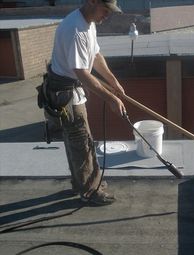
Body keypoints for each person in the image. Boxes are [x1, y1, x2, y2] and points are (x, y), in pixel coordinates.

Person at [47, 0, 126, 205]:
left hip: (69, 90)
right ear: (91, 1)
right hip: (66, 95)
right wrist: (111, 98)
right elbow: (82, 73)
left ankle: (82, 183)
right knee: (81, 141)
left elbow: (96, 55)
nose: (107, 15)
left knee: (78, 141)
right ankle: (90, 191)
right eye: (105, 9)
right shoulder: (75, 30)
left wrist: (112, 81)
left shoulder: (88, 23)